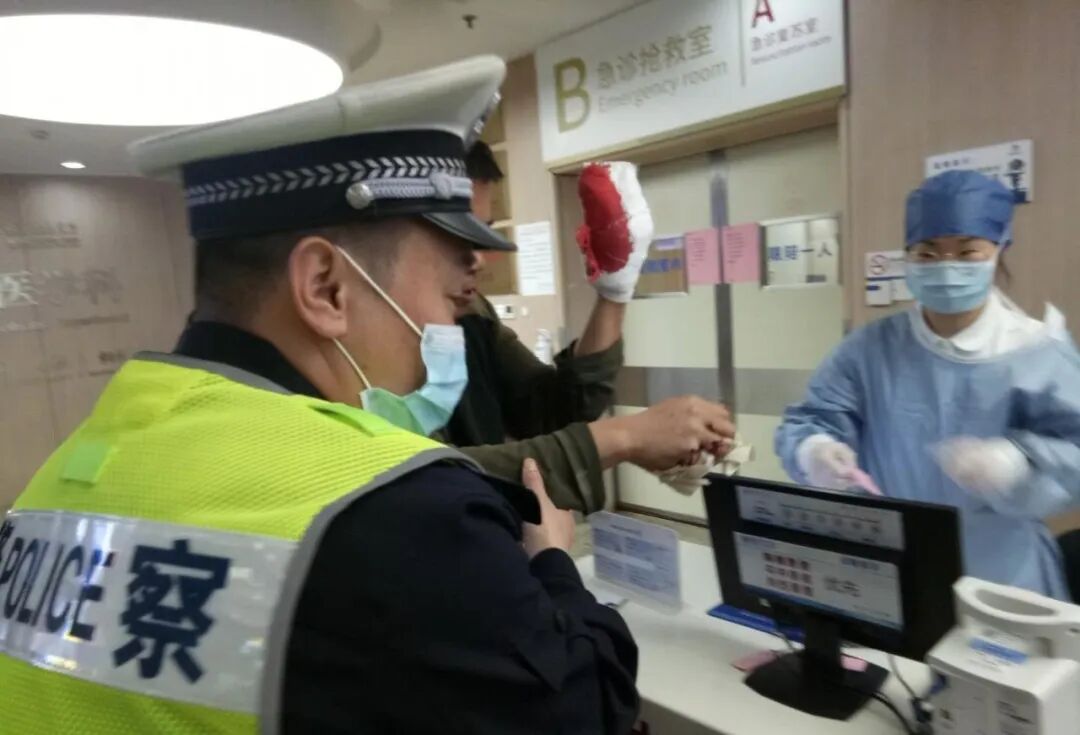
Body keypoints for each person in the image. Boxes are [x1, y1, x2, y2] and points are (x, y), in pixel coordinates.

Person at [0, 57, 642, 734]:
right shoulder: (395, 513)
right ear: (326, 288)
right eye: (451, 301)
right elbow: (584, 711)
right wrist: (553, 562)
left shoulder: (63, 474)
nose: (451, 333)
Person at [776, 169, 1080, 599]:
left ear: (998, 250)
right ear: (909, 257)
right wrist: (815, 451)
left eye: (967, 251)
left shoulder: (1036, 350)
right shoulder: (869, 349)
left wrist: (1017, 463)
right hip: (891, 564)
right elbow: (811, 420)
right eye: (928, 252)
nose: (946, 265)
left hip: (1003, 575)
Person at [450, 144, 735, 510]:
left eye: (483, 233)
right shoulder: (374, 364)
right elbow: (428, 483)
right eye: (456, 234)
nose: (478, 260)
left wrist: (616, 289)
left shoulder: (473, 314)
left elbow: (550, 412)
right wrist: (626, 437)